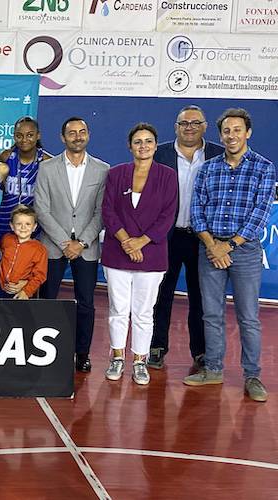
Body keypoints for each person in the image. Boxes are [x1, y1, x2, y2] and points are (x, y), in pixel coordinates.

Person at [184, 108, 275, 402]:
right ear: (220, 134)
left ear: (247, 133)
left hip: (244, 251)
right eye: (226, 131)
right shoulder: (208, 168)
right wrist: (213, 245)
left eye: (237, 130)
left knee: (248, 317)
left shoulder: (264, 167)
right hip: (209, 250)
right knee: (211, 314)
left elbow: (260, 214)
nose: (231, 135)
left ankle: (252, 375)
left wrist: (230, 246)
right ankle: (213, 369)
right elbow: (196, 211)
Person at [149, 105, 225, 371]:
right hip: (166, 237)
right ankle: (156, 347)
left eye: (195, 123)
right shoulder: (159, 154)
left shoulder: (218, 154)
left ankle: (201, 352)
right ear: (176, 127)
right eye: (184, 123)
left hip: (204, 239)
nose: (189, 127)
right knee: (161, 295)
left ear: (205, 126)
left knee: (201, 297)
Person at [101, 123, 178, 386]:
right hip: (117, 253)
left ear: (156, 146)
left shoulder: (168, 176)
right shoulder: (116, 174)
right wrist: (126, 242)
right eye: (137, 141)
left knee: (144, 312)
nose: (143, 146)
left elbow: (168, 215)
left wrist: (141, 243)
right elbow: (108, 211)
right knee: (118, 309)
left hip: (152, 255)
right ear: (129, 145)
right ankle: (118, 357)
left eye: (148, 141)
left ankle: (140, 361)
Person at [34, 117, 110, 372]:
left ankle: (82, 353)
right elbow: (41, 209)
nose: (77, 136)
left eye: (82, 132)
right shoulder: (47, 168)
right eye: (72, 133)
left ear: (88, 135)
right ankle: (42, 351)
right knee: (48, 300)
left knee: (86, 303)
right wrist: (65, 242)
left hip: (86, 249)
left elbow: (101, 212)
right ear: (62, 137)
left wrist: (82, 242)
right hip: (54, 244)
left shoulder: (102, 169)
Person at [0, 116, 51, 240]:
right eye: (19, 136)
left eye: (30, 135)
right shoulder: (5, 157)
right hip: (5, 224)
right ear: (14, 136)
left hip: (32, 229)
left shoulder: (47, 161)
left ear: (38, 135)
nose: (24, 140)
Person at [0, 205, 47, 300]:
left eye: (28, 224)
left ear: (34, 227)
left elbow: (40, 276)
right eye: (19, 224)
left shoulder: (40, 249)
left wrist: (26, 291)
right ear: (12, 226)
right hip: (0, 289)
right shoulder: (6, 239)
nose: (23, 227)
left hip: (21, 293)